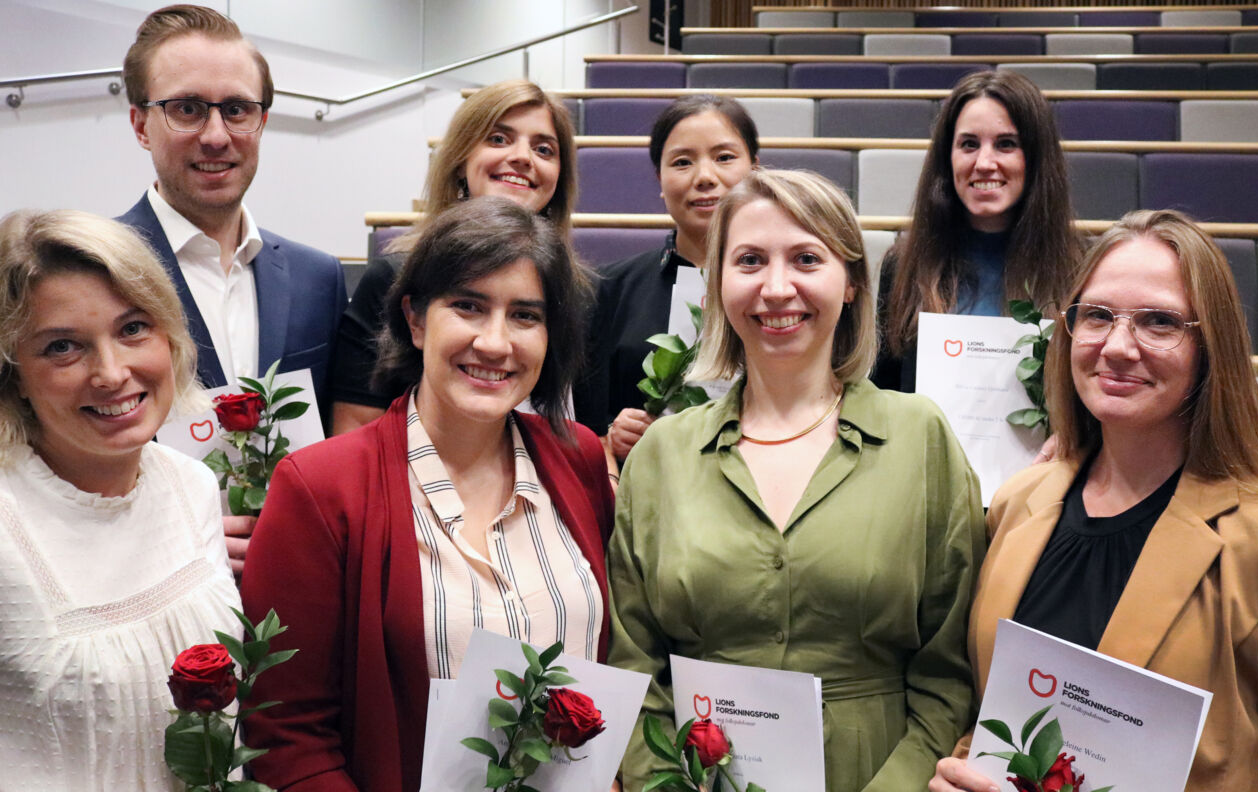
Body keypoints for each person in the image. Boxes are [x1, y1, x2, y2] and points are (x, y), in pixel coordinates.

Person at [609, 169, 985, 791]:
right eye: (750, 260)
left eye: (806, 258)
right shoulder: (662, 455)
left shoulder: (921, 437)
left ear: (853, 283)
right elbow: (634, 662)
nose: (777, 288)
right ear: (717, 285)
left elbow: (950, 672)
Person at [240, 198, 613, 791]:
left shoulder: (580, 459)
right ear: (415, 320)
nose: (495, 343)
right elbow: (285, 735)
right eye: (468, 306)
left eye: (525, 315)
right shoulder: (320, 488)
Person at [930, 210, 1258, 792]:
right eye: (1097, 316)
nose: (1117, 347)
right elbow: (992, 715)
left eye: (1159, 322)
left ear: (1209, 345)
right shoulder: (1018, 502)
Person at [0, 209, 240, 789]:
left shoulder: (192, 486)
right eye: (63, 347)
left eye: (133, 328)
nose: (112, 373)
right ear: (13, 375)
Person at [118, 3, 347, 572]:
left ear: (262, 121)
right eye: (187, 109)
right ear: (141, 124)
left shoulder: (319, 277)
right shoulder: (91, 276)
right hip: (149, 585)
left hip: (299, 581)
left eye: (238, 109)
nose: (217, 135)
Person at [331, 79, 577, 435]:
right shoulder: (393, 276)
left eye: (544, 149)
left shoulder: (577, 289)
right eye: (498, 139)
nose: (523, 157)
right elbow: (355, 426)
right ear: (461, 159)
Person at [573, 94, 758, 466]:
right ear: (659, 179)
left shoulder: (784, 290)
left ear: (755, 168)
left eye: (724, 157)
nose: (705, 177)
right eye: (682, 162)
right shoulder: (607, 288)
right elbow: (583, 424)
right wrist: (611, 436)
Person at [874, 70, 1079, 392]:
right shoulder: (902, 266)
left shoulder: (1081, 268)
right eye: (969, 144)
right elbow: (885, 391)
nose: (984, 162)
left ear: (1037, 158)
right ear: (948, 157)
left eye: (1006, 144)